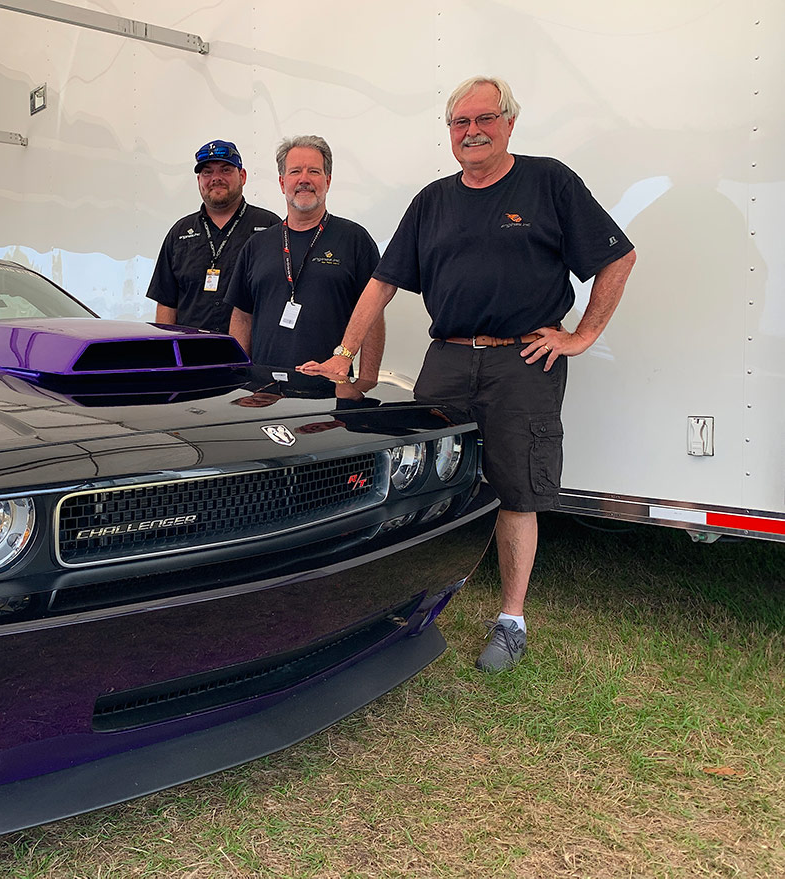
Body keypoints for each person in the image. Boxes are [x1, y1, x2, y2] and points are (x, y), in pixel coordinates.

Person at [298, 76, 637, 672]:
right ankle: (406, 603)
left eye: (484, 119)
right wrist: (344, 353)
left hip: (522, 360)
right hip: (448, 357)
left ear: (509, 123)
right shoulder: (432, 200)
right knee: (416, 481)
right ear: (449, 132)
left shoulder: (548, 181)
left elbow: (618, 255)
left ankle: (511, 620)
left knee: (516, 489)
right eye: (460, 122)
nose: (472, 132)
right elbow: (383, 282)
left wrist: (581, 336)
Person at [223, 135, 385, 378]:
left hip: (328, 390)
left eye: (314, 172)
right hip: (264, 394)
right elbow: (242, 317)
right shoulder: (257, 245)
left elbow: (372, 318)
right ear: (282, 182)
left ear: (328, 181)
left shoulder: (354, 240)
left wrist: (368, 381)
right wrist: (236, 375)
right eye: (295, 171)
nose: (304, 180)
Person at [146, 139, 281, 333]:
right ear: (199, 180)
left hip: (250, 357)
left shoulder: (269, 228)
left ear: (242, 176)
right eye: (207, 172)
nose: (216, 178)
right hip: (190, 357)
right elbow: (167, 302)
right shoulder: (180, 233)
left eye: (225, 170)